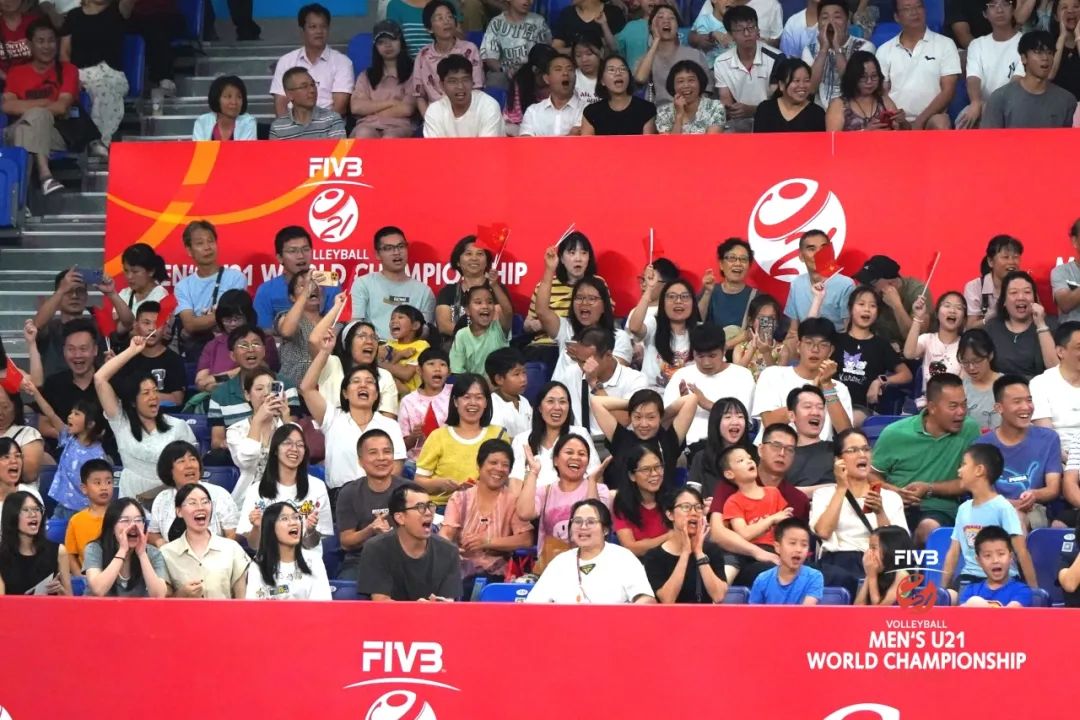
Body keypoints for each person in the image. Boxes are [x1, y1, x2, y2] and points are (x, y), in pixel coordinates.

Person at [870, 373, 981, 546]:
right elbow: (871, 475)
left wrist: (929, 488)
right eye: (953, 406)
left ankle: (912, 556)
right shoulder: (894, 433)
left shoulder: (970, 430)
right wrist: (894, 493)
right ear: (932, 407)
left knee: (929, 528)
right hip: (894, 507)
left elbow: (971, 482)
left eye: (964, 405)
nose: (961, 412)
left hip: (940, 509)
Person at [301, 334, 406, 497]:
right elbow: (306, 388)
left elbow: (396, 467)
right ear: (345, 393)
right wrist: (325, 352)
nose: (363, 385)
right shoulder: (332, 418)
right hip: (340, 496)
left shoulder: (390, 425)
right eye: (356, 381)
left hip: (379, 496)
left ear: (376, 394)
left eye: (370, 382)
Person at [1, 18, 98, 194]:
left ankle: (29, 192)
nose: (47, 46)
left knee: (30, 126)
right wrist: (44, 103)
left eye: (51, 41)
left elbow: (61, 107)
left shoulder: (68, 70)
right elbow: (7, 106)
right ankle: (45, 177)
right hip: (14, 131)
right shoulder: (17, 73)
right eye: (40, 41)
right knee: (33, 120)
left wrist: (31, 111)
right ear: (29, 45)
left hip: (56, 134)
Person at [93, 336, 197, 499]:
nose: (154, 397)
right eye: (146, 393)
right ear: (133, 401)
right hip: (131, 502)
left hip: (170, 500)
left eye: (155, 391)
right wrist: (131, 351)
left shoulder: (178, 426)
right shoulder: (121, 422)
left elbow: (192, 469)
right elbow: (100, 378)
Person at [811, 429, 907, 582]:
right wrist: (841, 488)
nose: (862, 455)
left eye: (866, 449)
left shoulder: (890, 498)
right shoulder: (824, 494)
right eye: (853, 450)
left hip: (878, 562)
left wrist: (880, 512)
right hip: (838, 562)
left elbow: (898, 546)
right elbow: (823, 532)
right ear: (838, 460)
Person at [440, 438, 533, 594]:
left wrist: (488, 542)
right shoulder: (460, 498)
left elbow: (526, 539)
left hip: (498, 576)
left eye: (505, 465)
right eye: (493, 462)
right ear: (479, 465)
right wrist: (448, 549)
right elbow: (447, 532)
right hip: (459, 573)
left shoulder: (513, 501)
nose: (499, 469)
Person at [941, 444, 1037, 592]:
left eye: (964, 465)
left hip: (1004, 579)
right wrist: (942, 590)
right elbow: (953, 553)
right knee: (954, 597)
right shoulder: (963, 509)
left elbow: (1021, 552)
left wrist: (1035, 592)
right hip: (970, 578)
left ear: (979, 470)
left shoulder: (1003, 507)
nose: (959, 471)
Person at [534, 249, 633, 390]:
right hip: (561, 398)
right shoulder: (566, 329)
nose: (584, 303)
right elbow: (542, 311)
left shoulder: (619, 338)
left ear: (604, 306)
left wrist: (583, 357)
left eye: (592, 299)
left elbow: (612, 373)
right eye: (579, 298)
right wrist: (550, 270)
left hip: (598, 396)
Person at [974, 374, 1062, 532]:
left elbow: (1053, 488)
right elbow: (981, 492)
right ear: (999, 408)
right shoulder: (982, 445)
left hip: (1034, 509)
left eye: (1029, 400)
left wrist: (1034, 495)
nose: (1026, 407)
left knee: (1016, 518)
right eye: (1017, 402)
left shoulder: (1049, 439)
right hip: (992, 510)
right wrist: (1006, 504)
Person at [525, 498, 655, 604]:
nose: (583, 527)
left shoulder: (623, 558)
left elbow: (646, 599)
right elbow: (533, 604)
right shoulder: (560, 562)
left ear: (605, 529)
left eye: (591, 522)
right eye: (577, 521)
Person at [236, 424, 333, 558]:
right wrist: (257, 527)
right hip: (269, 562)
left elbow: (312, 544)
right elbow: (254, 545)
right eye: (288, 443)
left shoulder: (317, 486)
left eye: (300, 445)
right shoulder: (256, 490)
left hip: (307, 562)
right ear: (275, 450)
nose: (294, 449)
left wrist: (310, 530)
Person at [356, 483, 462, 601]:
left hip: (434, 613)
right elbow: (381, 602)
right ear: (400, 518)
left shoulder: (448, 551)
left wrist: (438, 605)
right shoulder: (377, 549)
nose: (428, 512)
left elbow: (448, 601)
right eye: (420, 507)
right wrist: (416, 608)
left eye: (430, 506)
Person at [753, 318, 853, 442]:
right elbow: (769, 423)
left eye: (823, 345)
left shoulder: (839, 389)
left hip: (819, 451)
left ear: (830, 351)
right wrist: (812, 391)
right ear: (798, 346)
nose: (815, 349)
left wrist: (827, 386)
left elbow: (846, 435)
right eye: (809, 343)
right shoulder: (772, 375)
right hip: (776, 449)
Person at [415, 374, 506, 504]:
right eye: (466, 397)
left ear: (486, 402)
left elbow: (507, 477)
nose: (473, 403)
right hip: (443, 506)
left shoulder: (499, 434)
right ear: (456, 402)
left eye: (479, 397)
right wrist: (440, 484)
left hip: (485, 505)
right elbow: (418, 482)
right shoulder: (438, 436)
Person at [515, 433, 612, 554]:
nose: (576, 457)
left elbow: (596, 524)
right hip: (552, 562)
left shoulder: (600, 490)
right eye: (569, 452)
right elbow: (524, 513)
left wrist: (592, 481)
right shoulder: (546, 491)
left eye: (582, 454)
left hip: (589, 560)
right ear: (556, 460)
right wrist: (533, 472)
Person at [207, 327, 299, 451]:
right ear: (232, 355)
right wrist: (234, 444)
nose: (250, 349)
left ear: (264, 350)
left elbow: (292, 432)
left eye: (256, 344)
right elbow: (216, 441)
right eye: (243, 346)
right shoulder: (220, 395)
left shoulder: (285, 386)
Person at [335, 429, 409, 581]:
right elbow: (346, 542)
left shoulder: (410, 490)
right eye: (373, 453)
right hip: (361, 560)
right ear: (360, 461)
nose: (381, 458)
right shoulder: (349, 492)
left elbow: (421, 533)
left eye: (386, 452)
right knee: (345, 591)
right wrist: (370, 530)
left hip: (405, 558)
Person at [663, 324, 755, 446]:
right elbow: (663, 420)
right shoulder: (681, 375)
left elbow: (743, 419)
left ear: (724, 350)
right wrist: (682, 405)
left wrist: (706, 403)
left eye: (712, 356)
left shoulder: (742, 375)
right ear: (692, 353)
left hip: (725, 446)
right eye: (700, 356)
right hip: (683, 446)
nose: (706, 363)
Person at [875, 0, 960, 129]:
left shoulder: (945, 44)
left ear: (925, 10)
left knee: (941, 122)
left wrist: (920, 121)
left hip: (930, 118)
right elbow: (882, 92)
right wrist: (899, 119)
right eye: (907, 8)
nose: (914, 12)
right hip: (896, 119)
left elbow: (949, 90)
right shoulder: (884, 50)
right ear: (897, 17)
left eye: (918, 7)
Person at [829, 286, 912, 418]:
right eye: (861, 304)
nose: (867, 309)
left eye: (872, 306)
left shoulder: (881, 345)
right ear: (850, 309)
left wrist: (880, 381)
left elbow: (906, 374)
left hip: (861, 409)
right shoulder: (836, 340)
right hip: (831, 403)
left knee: (852, 419)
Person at [58, 0, 130, 148]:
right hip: (79, 73)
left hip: (110, 74)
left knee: (104, 89)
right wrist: (71, 78)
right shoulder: (73, 16)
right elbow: (64, 53)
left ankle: (100, 141)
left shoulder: (118, 9)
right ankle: (94, 144)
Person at [172, 221, 248, 360]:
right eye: (200, 243)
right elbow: (190, 324)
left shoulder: (235, 278)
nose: (207, 247)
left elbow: (232, 316)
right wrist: (219, 317)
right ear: (189, 250)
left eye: (211, 241)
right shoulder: (183, 286)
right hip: (197, 353)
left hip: (230, 349)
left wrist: (202, 320)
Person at [161, 483, 250, 599]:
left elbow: (242, 600)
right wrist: (181, 594)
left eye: (205, 502)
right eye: (192, 503)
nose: (200, 507)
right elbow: (161, 604)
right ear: (179, 511)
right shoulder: (166, 553)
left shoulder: (232, 548)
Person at [309, 308, 400, 418]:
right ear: (347, 343)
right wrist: (337, 306)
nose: (369, 341)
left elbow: (388, 419)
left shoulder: (384, 376)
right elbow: (314, 340)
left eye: (374, 337)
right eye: (362, 336)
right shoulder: (332, 364)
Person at [643, 486, 728, 603]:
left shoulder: (712, 550)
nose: (694, 513)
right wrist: (685, 553)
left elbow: (719, 596)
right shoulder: (654, 556)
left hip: (703, 614)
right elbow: (667, 599)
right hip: (671, 615)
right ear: (670, 514)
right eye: (686, 507)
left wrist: (699, 553)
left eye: (698, 507)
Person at [349, 226, 436, 339]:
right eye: (388, 248)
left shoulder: (424, 291)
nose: (396, 252)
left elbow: (424, 331)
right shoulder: (363, 284)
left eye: (401, 246)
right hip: (373, 346)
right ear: (377, 254)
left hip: (410, 348)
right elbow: (355, 325)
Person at [31, 390, 106, 520]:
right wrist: (35, 393)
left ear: (90, 424)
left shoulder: (97, 455)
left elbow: (99, 487)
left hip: (83, 511)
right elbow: (50, 414)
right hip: (61, 506)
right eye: (71, 412)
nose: (70, 416)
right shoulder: (69, 438)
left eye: (76, 414)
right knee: (51, 532)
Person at [509, 381, 599, 490]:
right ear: (539, 408)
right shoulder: (521, 440)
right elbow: (515, 484)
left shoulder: (580, 434)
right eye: (550, 401)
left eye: (562, 402)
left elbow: (595, 476)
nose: (557, 407)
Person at [146, 441, 239, 546]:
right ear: (169, 470)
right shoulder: (162, 498)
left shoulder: (219, 494)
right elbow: (152, 532)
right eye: (181, 461)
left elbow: (232, 534)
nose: (189, 465)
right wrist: (163, 545)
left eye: (193, 459)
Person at [269, 3, 353, 118]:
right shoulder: (286, 61)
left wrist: (317, 127)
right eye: (313, 27)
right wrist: (288, 127)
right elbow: (280, 104)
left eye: (323, 26)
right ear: (302, 31)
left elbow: (340, 107)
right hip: (292, 124)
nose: (319, 31)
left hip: (329, 125)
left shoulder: (342, 62)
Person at [35, 320, 107, 451]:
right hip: (63, 453)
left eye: (83, 349)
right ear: (64, 351)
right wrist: (68, 437)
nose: (77, 355)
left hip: (105, 454)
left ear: (95, 350)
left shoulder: (108, 382)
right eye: (71, 349)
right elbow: (42, 422)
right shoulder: (54, 383)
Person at [253, 226, 340, 332]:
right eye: (292, 251)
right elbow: (264, 332)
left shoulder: (330, 284)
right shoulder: (266, 291)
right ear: (280, 258)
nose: (301, 256)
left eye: (305, 249)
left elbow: (335, 326)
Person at [983, 30, 1076, 127]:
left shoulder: (1067, 101)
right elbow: (989, 136)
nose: (1045, 58)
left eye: (1050, 53)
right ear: (1024, 58)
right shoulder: (1000, 98)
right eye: (1038, 52)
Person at [954, 0, 1024, 129]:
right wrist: (975, 102)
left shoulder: (1025, 43)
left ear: (1013, 9)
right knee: (963, 122)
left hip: (1014, 106)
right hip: (982, 105)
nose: (999, 10)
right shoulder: (977, 45)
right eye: (992, 5)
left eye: (1005, 4)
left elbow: (1016, 83)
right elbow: (973, 78)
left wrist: (991, 107)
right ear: (985, 14)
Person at [714, 4, 784, 132]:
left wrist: (753, 110)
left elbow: (782, 103)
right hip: (738, 122)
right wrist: (732, 110)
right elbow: (726, 100)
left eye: (751, 28)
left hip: (772, 120)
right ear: (730, 35)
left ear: (758, 30)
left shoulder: (777, 58)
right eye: (740, 29)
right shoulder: (721, 62)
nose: (747, 33)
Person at [195, 291, 282, 393]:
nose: (232, 324)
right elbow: (201, 382)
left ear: (248, 317)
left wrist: (215, 380)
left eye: (237, 318)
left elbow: (256, 369)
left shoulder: (264, 340)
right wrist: (232, 376)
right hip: (215, 397)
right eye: (227, 319)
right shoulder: (213, 345)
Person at [434, 234, 514, 345]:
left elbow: (503, 320)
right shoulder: (448, 292)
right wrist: (470, 338)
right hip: (456, 347)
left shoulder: (497, 289)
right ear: (458, 262)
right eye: (468, 254)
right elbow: (444, 326)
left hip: (490, 347)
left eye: (480, 254)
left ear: (487, 261)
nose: (474, 258)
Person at [33, 269, 113, 379]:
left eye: (80, 291)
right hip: (54, 388)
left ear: (86, 295)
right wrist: (61, 290)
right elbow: (37, 325)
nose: (74, 296)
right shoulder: (50, 328)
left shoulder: (97, 326)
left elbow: (128, 323)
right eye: (68, 291)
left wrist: (112, 293)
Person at [225, 368, 290, 502]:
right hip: (248, 498)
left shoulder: (285, 426)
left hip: (285, 496)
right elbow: (246, 462)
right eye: (259, 389)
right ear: (247, 395)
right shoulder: (236, 430)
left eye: (271, 388)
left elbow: (297, 457)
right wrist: (257, 421)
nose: (266, 394)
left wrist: (286, 418)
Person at [246, 501, 332, 600]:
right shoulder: (258, 565)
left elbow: (322, 604)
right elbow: (253, 604)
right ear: (271, 528)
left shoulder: (314, 561)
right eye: (284, 519)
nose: (293, 522)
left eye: (296, 517)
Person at [411, 0, 484, 117]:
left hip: (467, 114)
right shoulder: (423, 55)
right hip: (435, 117)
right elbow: (419, 96)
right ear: (429, 28)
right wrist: (429, 120)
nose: (446, 21)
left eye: (450, 17)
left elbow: (476, 89)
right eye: (439, 18)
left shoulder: (469, 50)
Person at [628, 272, 699, 390]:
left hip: (687, 396)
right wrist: (649, 290)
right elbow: (634, 328)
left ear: (693, 303)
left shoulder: (701, 331)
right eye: (671, 296)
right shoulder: (653, 324)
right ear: (663, 303)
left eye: (685, 296)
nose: (678, 301)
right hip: (652, 395)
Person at [83, 498, 167, 597]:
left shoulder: (153, 553)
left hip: (137, 607)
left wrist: (142, 554)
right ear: (112, 527)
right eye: (125, 520)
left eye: (138, 520)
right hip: (98, 607)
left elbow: (159, 595)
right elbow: (98, 590)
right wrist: (122, 550)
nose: (133, 526)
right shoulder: (94, 549)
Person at [984, 270, 1057, 381]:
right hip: (1000, 388)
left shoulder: (1052, 325)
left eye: (1027, 292)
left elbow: (1055, 370)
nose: (1021, 297)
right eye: (1014, 293)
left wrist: (1041, 325)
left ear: (1034, 298)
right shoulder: (991, 328)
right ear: (1004, 300)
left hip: (1038, 388)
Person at [634, 5, 713, 107]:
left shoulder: (695, 55)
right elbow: (640, 79)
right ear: (651, 26)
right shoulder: (646, 59)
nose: (666, 21)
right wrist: (656, 39)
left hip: (692, 111)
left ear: (677, 27)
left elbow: (706, 89)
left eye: (671, 18)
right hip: (659, 113)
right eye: (660, 17)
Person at [110, 301, 187, 406]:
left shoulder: (174, 360)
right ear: (136, 325)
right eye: (146, 323)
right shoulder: (126, 357)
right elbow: (116, 396)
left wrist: (142, 395)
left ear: (165, 327)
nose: (152, 328)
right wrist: (111, 368)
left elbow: (177, 399)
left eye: (158, 323)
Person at [802, 0, 875, 109]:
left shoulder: (864, 47)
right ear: (818, 23)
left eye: (837, 17)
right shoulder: (809, 50)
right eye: (825, 18)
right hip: (818, 111)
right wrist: (823, 50)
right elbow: (810, 89)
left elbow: (853, 85)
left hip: (853, 110)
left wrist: (837, 47)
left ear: (847, 21)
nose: (831, 22)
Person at [351, 20, 417, 139]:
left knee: (390, 138)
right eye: (381, 42)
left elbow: (407, 109)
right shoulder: (366, 75)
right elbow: (356, 107)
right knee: (364, 133)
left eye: (392, 39)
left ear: (401, 41)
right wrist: (392, 103)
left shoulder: (413, 72)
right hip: (368, 125)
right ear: (375, 47)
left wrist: (371, 110)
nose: (387, 45)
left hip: (400, 126)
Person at [0, 491, 71, 595]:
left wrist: (61, 591)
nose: (33, 514)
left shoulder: (59, 551)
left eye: (37, 509)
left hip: (50, 606)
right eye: (26, 510)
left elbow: (70, 600)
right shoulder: (2, 555)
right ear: (12, 515)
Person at [784, 230, 856, 331]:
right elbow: (793, 330)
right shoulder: (797, 284)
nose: (819, 253)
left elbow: (850, 332)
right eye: (812, 249)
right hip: (805, 339)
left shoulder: (846, 285)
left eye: (824, 248)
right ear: (801, 256)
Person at [851, 255, 929, 348]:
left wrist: (897, 306)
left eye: (870, 284)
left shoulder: (917, 292)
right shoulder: (865, 291)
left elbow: (915, 339)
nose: (863, 287)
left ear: (891, 283)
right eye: (862, 281)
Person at [904, 291, 965, 405]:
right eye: (947, 305)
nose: (952, 310)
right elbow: (909, 353)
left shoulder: (965, 345)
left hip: (953, 404)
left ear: (963, 318)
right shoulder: (927, 339)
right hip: (927, 404)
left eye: (959, 308)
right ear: (937, 313)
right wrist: (918, 317)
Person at [611, 444, 671, 556]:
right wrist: (669, 537)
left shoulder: (673, 499)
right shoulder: (623, 504)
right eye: (646, 469)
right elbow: (630, 548)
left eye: (658, 467)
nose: (654, 474)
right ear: (632, 476)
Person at [687, 397, 754, 498]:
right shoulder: (701, 457)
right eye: (728, 417)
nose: (735, 422)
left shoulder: (754, 454)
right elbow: (691, 497)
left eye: (740, 416)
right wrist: (703, 503)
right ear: (716, 422)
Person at [422, 54, 502, 137]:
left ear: (472, 81)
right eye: (453, 81)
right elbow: (434, 145)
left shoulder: (488, 106)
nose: (460, 86)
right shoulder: (434, 111)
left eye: (465, 80)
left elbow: (487, 145)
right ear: (442, 85)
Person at [825, 49, 906, 130]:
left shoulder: (885, 101)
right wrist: (866, 133)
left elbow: (904, 133)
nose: (869, 81)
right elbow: (832, 138)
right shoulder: (838, 105)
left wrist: (902, 123)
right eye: (863, 77)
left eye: (874, 76)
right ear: (852, 77)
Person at [748, 517, 823, 604]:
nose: (798, 549)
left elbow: (806, 610)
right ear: (777, 547)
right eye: (792, 543)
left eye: (804, 545)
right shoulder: (762, 580)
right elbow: (754, 612)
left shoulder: (814, 577)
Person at [1031, 321, 1080, 453]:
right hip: (1058, 456)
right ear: (1060, 351)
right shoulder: (1040, 384)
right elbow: (1046, 435)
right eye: (1079, 347)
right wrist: (1071, 460)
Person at [698, 237, 758, 344]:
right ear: (721, 264)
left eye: (743, 259)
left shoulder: (757, 297)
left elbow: (762, 333)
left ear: (749, 265)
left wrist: (727, 345)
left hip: (743, 354)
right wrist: (707, 293)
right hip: (710, 352)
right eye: (732, 258)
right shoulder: (708, 292)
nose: (738, 263)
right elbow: (696, 323)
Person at [58, 459, 112, 574]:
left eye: (108, 482)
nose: (104, 487)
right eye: (97, 483)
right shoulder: (76, 521)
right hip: (88, 578)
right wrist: (80, 577)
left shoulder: (122, 516)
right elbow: (70, 555)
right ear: (84, 488)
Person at [958, 525, 1034, 607]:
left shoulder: (1022, 591)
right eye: (987, 555)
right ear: (979, 561)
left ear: (1010, 557)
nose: (995, 560)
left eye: (1001, 554)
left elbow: (1011, 612)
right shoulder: (971, 591)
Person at [580, 54, 657, 134]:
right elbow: (586, 141)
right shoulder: (591, 113)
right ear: (602, 81)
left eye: (623, 69)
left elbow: (648, 141)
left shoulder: (646, 109)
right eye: (611, 70)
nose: (618, 73)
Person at [398, 348, 452, 459]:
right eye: (431, 364)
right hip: (417, 461)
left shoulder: (456, 394)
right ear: (419, 370)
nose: (437, 369)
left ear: (449, 372)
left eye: (443, 365)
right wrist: (413, 436)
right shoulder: (408, 401)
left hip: (450, 458)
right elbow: (402, 447)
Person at [962, 234, 1023, 330]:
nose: (1011, 262)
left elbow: (1038, 316)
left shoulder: (1025, 285)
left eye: (1015, 257)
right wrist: (995, 315)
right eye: (1006, 257)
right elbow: (970, 326)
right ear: (990, 261)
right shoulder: (975, 287)